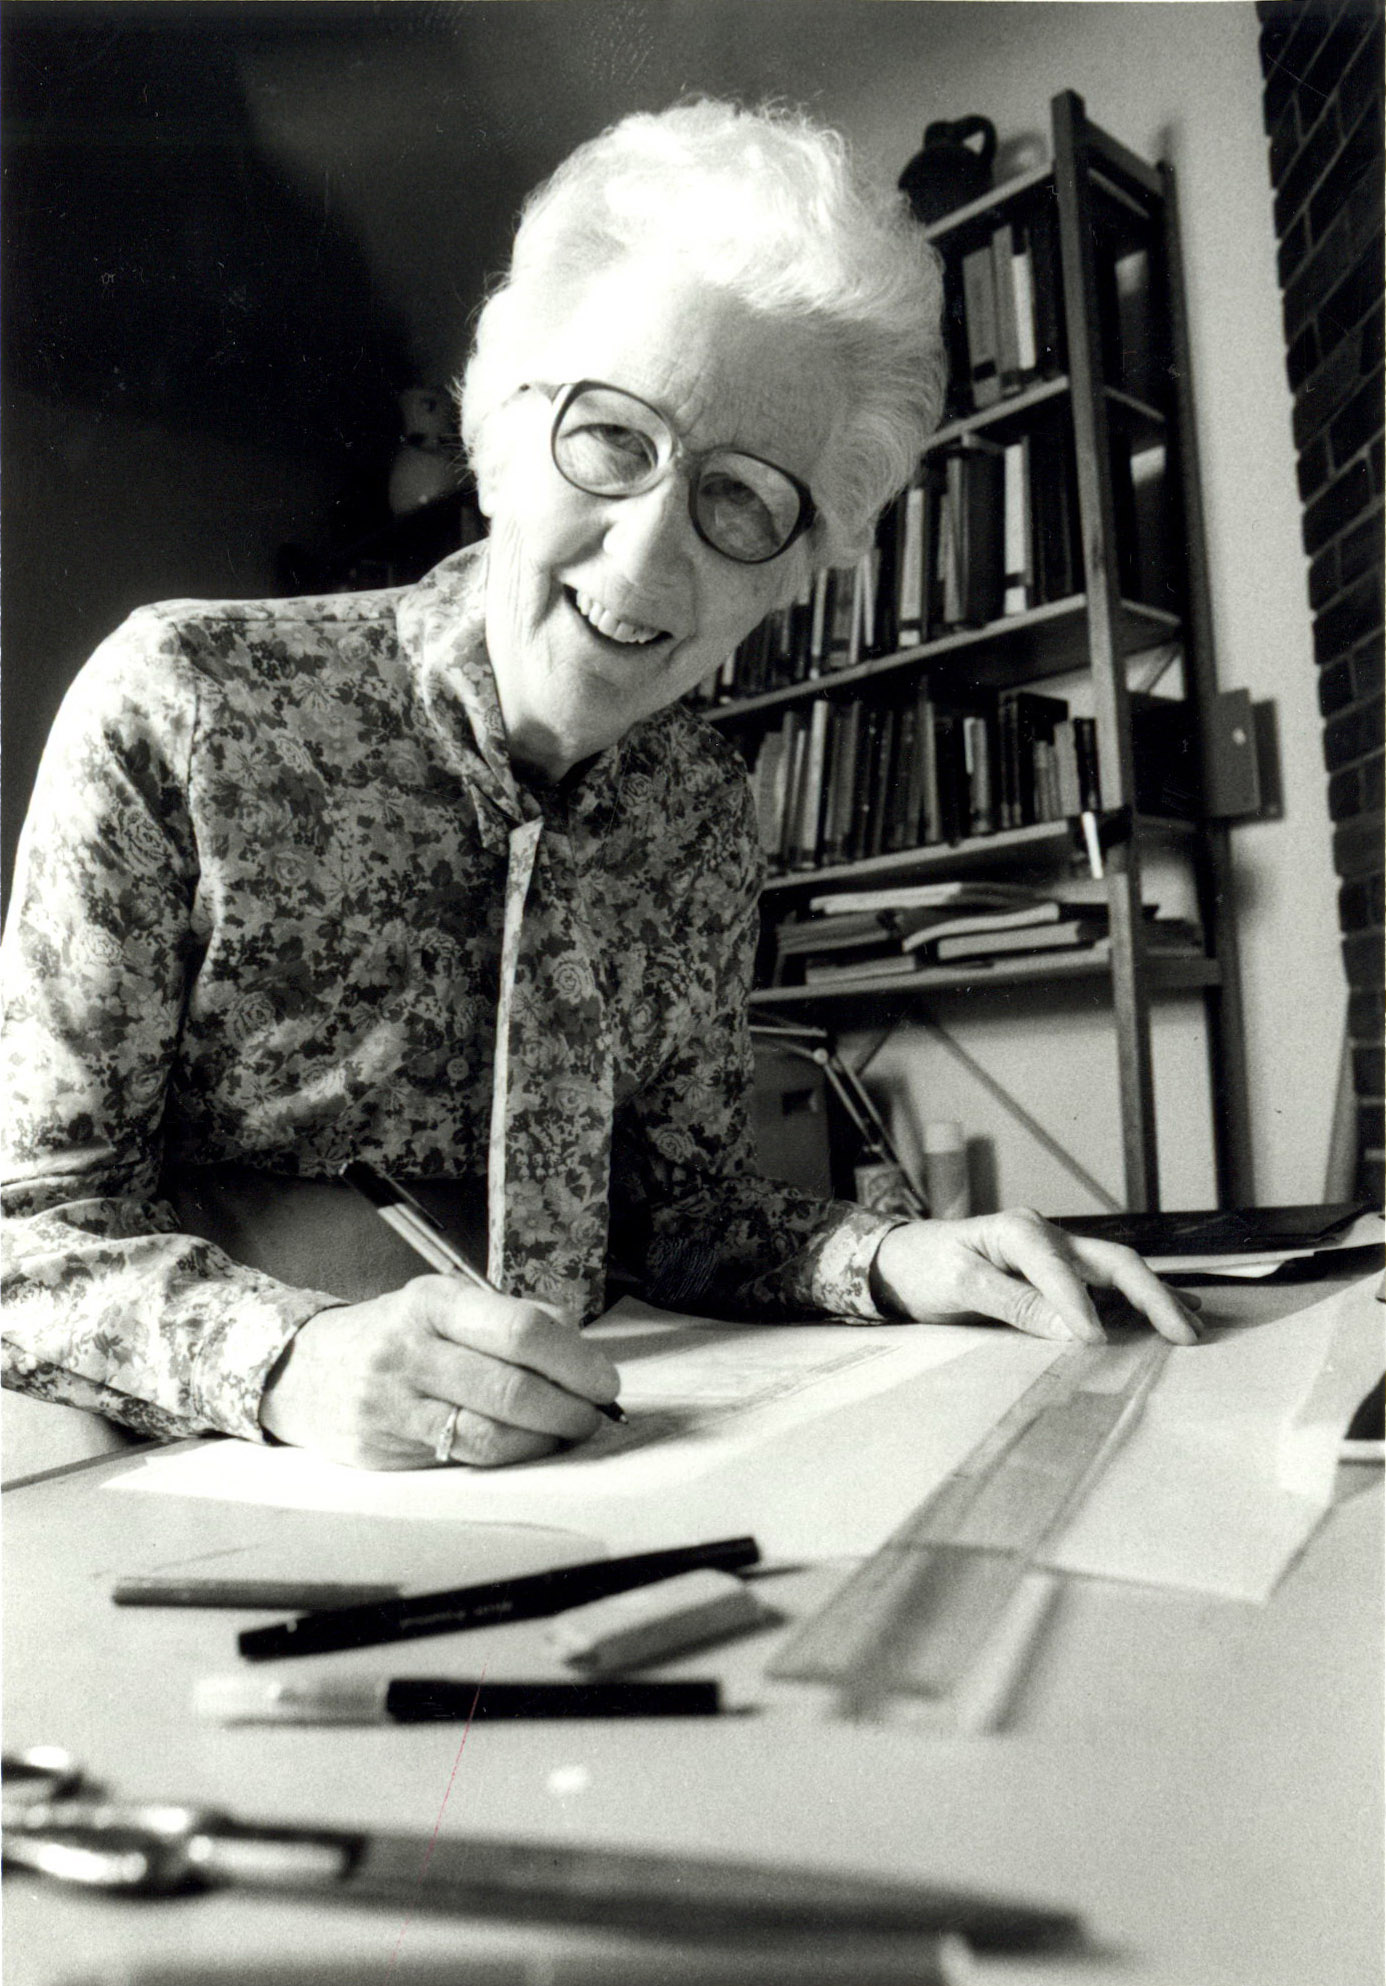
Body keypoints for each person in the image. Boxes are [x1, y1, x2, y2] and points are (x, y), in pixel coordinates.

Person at [1, 100, 1197, 1475]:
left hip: (585, 1464)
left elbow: (669, 1210)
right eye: (613, 439)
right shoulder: (182, 700)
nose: (643, 564)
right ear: (502, 433)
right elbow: (26, 1234)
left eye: (742, 502)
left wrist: (895, 1253)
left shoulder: (698, 814)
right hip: (208, 1480)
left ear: (792, 576)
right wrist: (290, 1361)